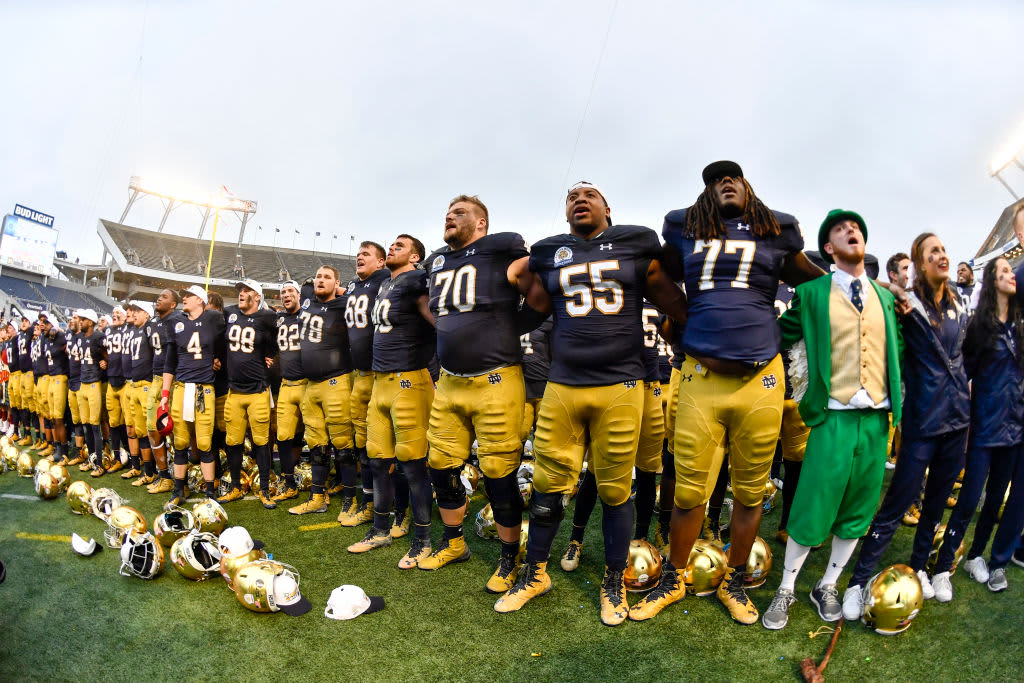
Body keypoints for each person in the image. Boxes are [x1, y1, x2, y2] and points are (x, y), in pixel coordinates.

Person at [631, 161, 823, 625]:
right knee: (688, 493)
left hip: (762, 378)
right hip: (702, 375)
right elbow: (655, 273)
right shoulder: (684, 228)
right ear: (707, 194)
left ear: (748, 186)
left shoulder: (776, 230)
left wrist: (794, 327)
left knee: (750, 493)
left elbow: (817, 284)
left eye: (732, 175)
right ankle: (676, 577)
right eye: (715, 179)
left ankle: (734, 578)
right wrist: (684, 315)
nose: (725, 181)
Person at [494, 181, 685, 626]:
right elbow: (533, 305)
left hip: (621, 385)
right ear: (565, 213)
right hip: (564, 384)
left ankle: (613, 580)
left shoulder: (635, 241)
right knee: (546, 488)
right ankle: (535, 573)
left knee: (617, 491)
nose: (580, 199)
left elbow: (673, 299)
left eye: (589, 195)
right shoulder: (550, 250)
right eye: (571, 197)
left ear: (607, 208)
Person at [762, 210, 903, 629]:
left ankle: (827, 584)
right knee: (812, 505)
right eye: (841, 229)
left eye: (856, 227)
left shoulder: (886, 296)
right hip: (833, 415)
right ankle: (785, 589)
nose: (851, 231)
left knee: (859, 510)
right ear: (828, 247)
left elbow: (897, 351)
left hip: (877, 418)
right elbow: (776, 336)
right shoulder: (812, 293)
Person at [419, 195, 544, 591]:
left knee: (499, 473)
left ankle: (510, 558)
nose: (450, 217)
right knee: (439, 464)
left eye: (460, 213)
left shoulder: (500, 247)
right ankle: (454, 542)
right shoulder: (437, 260)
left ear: (481, 225)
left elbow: (538, 296)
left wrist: (511, 327)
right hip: (451, 381)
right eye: (448, 212)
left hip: (496, 380)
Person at [843, 232, 970, 619]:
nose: (943, 256)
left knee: (935, 502)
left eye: (944, 250)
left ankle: (918, 567)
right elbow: (867, 284)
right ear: (919, 262)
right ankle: (856, 582)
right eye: (934, 252)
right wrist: (895, 288)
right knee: (897, 504)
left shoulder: (961, 302)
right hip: (922, 419)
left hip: (958, 419)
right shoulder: (908, 302)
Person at [932, 257, 1024, 598]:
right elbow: (962, 374)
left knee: (996, 498)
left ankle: (977, 557)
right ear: (991, 281)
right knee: (969, 498)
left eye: (1010, 271)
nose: (1011, 276)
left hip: (1015, 428)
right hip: (985, 425)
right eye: (1003, 271)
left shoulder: (1020, 324)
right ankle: (943, 567)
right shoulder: (980, 326)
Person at [348, 234, 437, 570]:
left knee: (412, 466)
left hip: (407, 381)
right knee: (377, 460)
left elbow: (438, 322)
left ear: (415, 257)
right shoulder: (387, 284)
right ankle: (381, 529)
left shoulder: (417, 280)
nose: (393, 248)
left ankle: (422, 540)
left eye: (400, 246)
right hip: (380, 382)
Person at [290, 265, 355, 515]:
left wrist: (340, 289)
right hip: (311, 385)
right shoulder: (306, 301)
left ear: (336, 283)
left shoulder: (344, 304)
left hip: (336, 381)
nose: (320, 280)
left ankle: (350, 499)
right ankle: (318, 497)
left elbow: (356, 298)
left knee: (343, 444)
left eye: (327, 277)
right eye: (318, 276)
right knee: (316, 444)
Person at [159, 285, 226, 507]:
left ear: (200, 299)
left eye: (189, 295)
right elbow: (169, 363)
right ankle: (179, 490)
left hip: (204, 389)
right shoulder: (176, 323)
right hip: (180, 387)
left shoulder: (213, 318)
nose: (184, 298)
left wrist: (218, 359)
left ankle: (210, 493)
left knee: (205, 443)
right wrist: (165, 395)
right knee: (180, 442)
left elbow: (227, 342)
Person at [340, 241, 390, 526]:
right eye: (358, 254)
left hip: (380, 374)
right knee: (362, 443)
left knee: (381, 445)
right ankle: (369, 501)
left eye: (366, 254)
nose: (359, 257)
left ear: (381, 262)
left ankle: (389, 504)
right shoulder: (353, 287)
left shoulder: (385, 280)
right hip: (360, 374)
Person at [219, 280, 278, 508]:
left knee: (261, 442)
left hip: (258, 390)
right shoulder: (229, 313)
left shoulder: (268, 317)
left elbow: (278, 342)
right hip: (234, 391)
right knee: (232, 441)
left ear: (257, 295)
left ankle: (264, 488)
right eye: (240, 291)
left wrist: (272, 356)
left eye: (246, 291)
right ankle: (235, 486)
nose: (241, 294)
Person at [144, 289, 182, 495]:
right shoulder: (153, 323)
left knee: (176, 430)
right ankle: (164, 475)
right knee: (152, 428)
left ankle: (180, 477)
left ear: (174, 304)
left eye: (165, 297)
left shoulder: (177, 320)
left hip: (174, 380)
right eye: (158, 295)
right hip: (156, 378)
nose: (159, 298)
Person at [272, 280, 306, 502]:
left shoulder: (309, 314)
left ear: (299, 294)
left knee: (315, 435)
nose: (286, 295)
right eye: (283, 292)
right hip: (286, 383)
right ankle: (289, 480)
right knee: (283, 435)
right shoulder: (278, 319)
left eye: (290, 291)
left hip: (308, 383)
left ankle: (327, 484)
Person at [124, 301, 158, 487]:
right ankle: (148, 472)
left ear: (147, 314)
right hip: (135, 385)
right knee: (140, 432)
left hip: (147, 385)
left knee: (152, 431)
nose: (134, 314)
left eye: (139, 311)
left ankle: (158, 472)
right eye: (134, 311)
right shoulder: (136, 331)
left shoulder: (149, 329)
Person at [76, 309, 108, 476]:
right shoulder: (80, 338)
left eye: (83, 319)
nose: (80, 321)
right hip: (83, 383)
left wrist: (104, 362)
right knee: (87, 425)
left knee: (95, 427)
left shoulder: (98, 337)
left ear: (90, 321)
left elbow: (108, 354)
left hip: (94, 383)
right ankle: (91, 459)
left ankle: (100, 464)